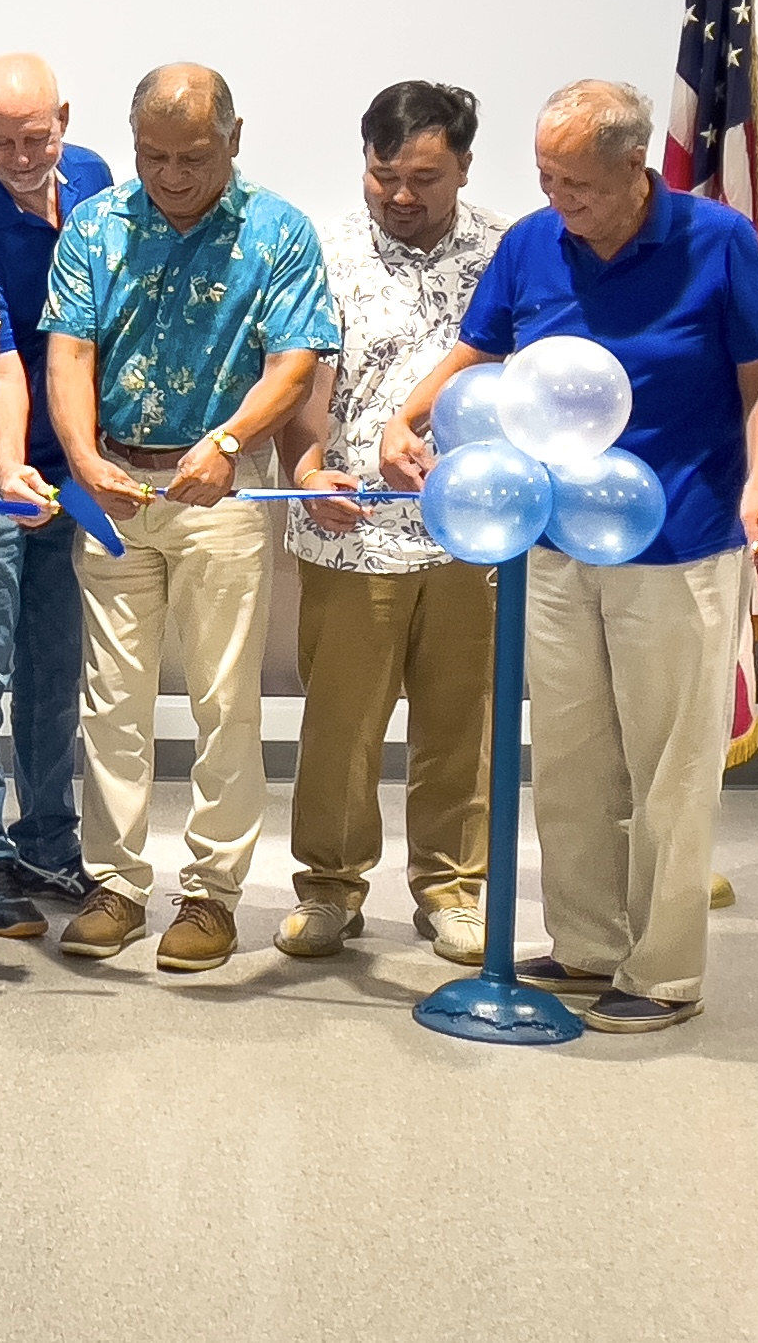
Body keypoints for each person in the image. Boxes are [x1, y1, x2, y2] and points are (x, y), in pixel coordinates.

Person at [383, 78, 758, 1035]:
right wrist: (407, 417)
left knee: (668, 767)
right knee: (570, 758)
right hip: (554, 539)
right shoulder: (532, 243)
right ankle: (585, 944)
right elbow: (478, 353)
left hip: (679, 540)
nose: (558, 197)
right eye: (545, 177)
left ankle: (663, 971)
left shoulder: (715, 240)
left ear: (634, 167)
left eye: (577, 183)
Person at [44, 64, 337, 975]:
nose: (171, 176)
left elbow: (293, 363)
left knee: (222, 698)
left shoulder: (278, 231)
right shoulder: (95, 225)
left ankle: (211, 893)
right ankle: (114, 884)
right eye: (152, 155)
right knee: (111, 700)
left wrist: (228, 440)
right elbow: (69, 353)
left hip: (221, 485)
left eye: (193, 157)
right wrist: (82, 457)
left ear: (234, 139)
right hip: (113, 486)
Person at [274, 82, 503, 968]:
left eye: (424, 178)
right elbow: (297, 383)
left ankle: (451, 888)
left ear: (463, 167)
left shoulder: (506, 253)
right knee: (340, 726)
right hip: (351, 529)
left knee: (459, 722)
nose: (401, 196)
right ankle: (328, 887)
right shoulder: (322, 253)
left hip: (468, 534)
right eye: (383, 175)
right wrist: (304, 472)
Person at [0, 51, 113, 938]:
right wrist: (10, 469)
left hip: (78, 469)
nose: (20, 156)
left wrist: (88, 456)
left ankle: (50, 841)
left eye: (36, 138)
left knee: (55, 669)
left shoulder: (95, 179)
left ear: (64, 122)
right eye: (2, 141)